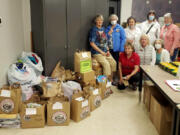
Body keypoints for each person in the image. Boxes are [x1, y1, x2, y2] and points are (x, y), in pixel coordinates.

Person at [89, 14, 117, 82]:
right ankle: (104, 83)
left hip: (105, 51)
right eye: (98, 20)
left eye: (101, 20)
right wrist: (101, 52)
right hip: (97, 53)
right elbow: (92, 43)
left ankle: (111, 80)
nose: (100, 21)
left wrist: (107, 50)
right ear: (95, 21)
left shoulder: (103, 29)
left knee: (113, 63)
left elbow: (105, 41)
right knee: (106, 64)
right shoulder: (93, 30)